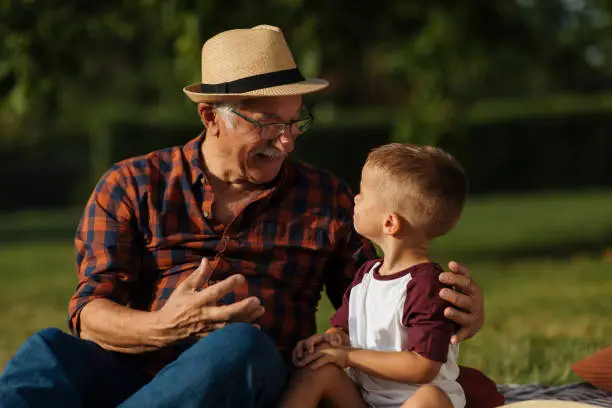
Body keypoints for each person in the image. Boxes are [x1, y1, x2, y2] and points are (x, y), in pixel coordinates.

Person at [0, 25, 484, 408]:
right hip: (134, 370)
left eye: (295, 122)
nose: (287, 141)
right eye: (269, 124)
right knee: (47, 352)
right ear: (211, 116)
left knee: (239, 347)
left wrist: (456, 315)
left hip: (249, 374)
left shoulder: (325, 198)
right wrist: (165, 326)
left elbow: (380, 294)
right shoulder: (132, 184)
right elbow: (90, 313)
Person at [280, 144, 469, 408]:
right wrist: (330, 342)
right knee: (318, 369)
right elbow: (345, 329)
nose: (355, 199)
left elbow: (423, 366)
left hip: (414, 402)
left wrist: (348, 356)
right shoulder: (366, 275)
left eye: (363, 194)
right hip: (367, 400)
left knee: (431, 398)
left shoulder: (426, 287)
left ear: (389, 223)